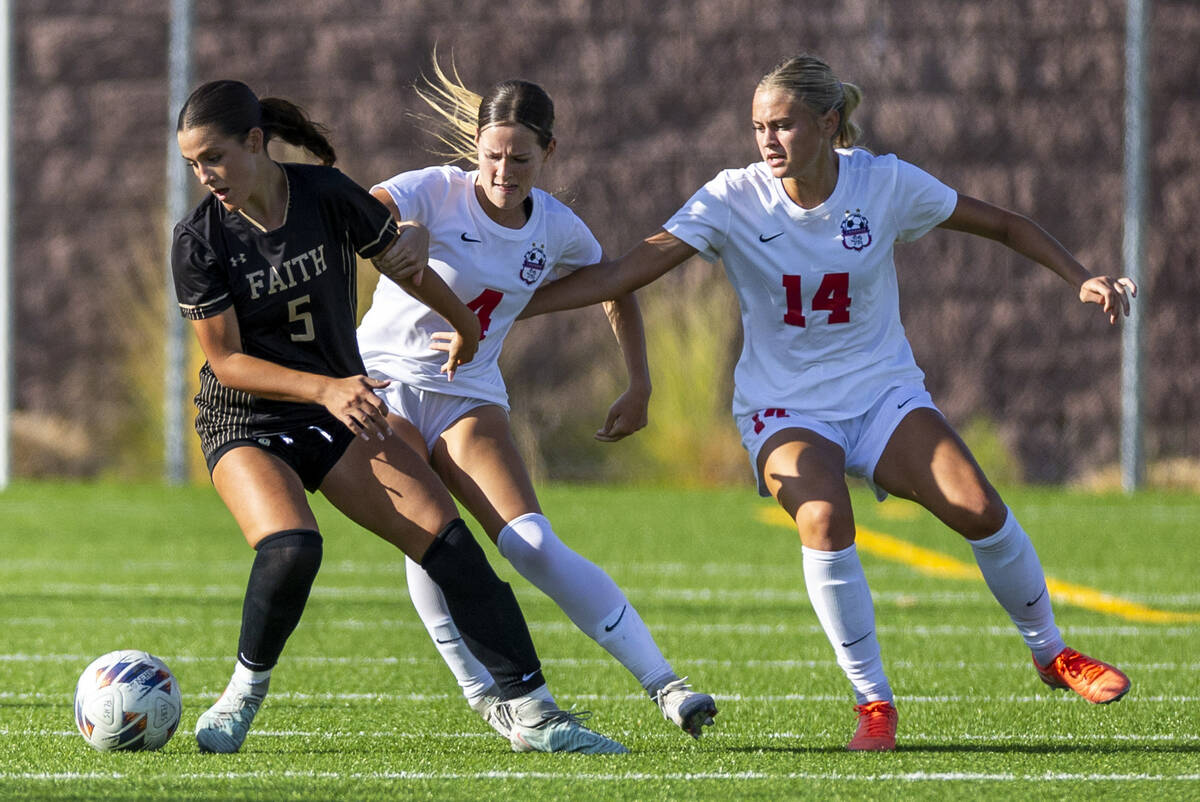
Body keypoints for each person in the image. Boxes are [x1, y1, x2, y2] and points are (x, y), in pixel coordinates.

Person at [521, 54, 1137, 752]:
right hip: (784, 408)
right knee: (821, 513)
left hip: (881, 393)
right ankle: (874, 704)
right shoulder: (732, 198)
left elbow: (1004, 224)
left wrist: (1082, 278)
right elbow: (629, 269)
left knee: (980, 507)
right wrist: (511, 312)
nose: (767, 140)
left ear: (829, 122)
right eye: (758, 127)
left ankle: (1051, 653)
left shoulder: (883, 183)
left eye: (783, 125)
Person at [171, 79, 626, 755]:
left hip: (335, 409)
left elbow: (402, 262)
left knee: (452, 549)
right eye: (192, 165)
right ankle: (243, 694)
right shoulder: (199, 239)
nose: (205, 176)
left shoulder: (325, 195)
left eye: (214, 157)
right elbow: (228, 362)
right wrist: (325, 390)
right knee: (293, 546)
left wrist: (463, 325)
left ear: (256, 143)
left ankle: (535, 714)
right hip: (246, 418)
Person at [355, 60, 718, 741]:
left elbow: (613, 285)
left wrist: (639, 383)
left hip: (469, 394)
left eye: (520, 158)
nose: (503, 171)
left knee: (532, 543)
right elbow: (365, 210)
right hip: (383, 389)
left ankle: (668, 686)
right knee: (436, 542)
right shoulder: (433, 190)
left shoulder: (556, 227)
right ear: (476, 147)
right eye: (492, 156)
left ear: (549, 152)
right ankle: (489, 698)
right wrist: (395, 234)